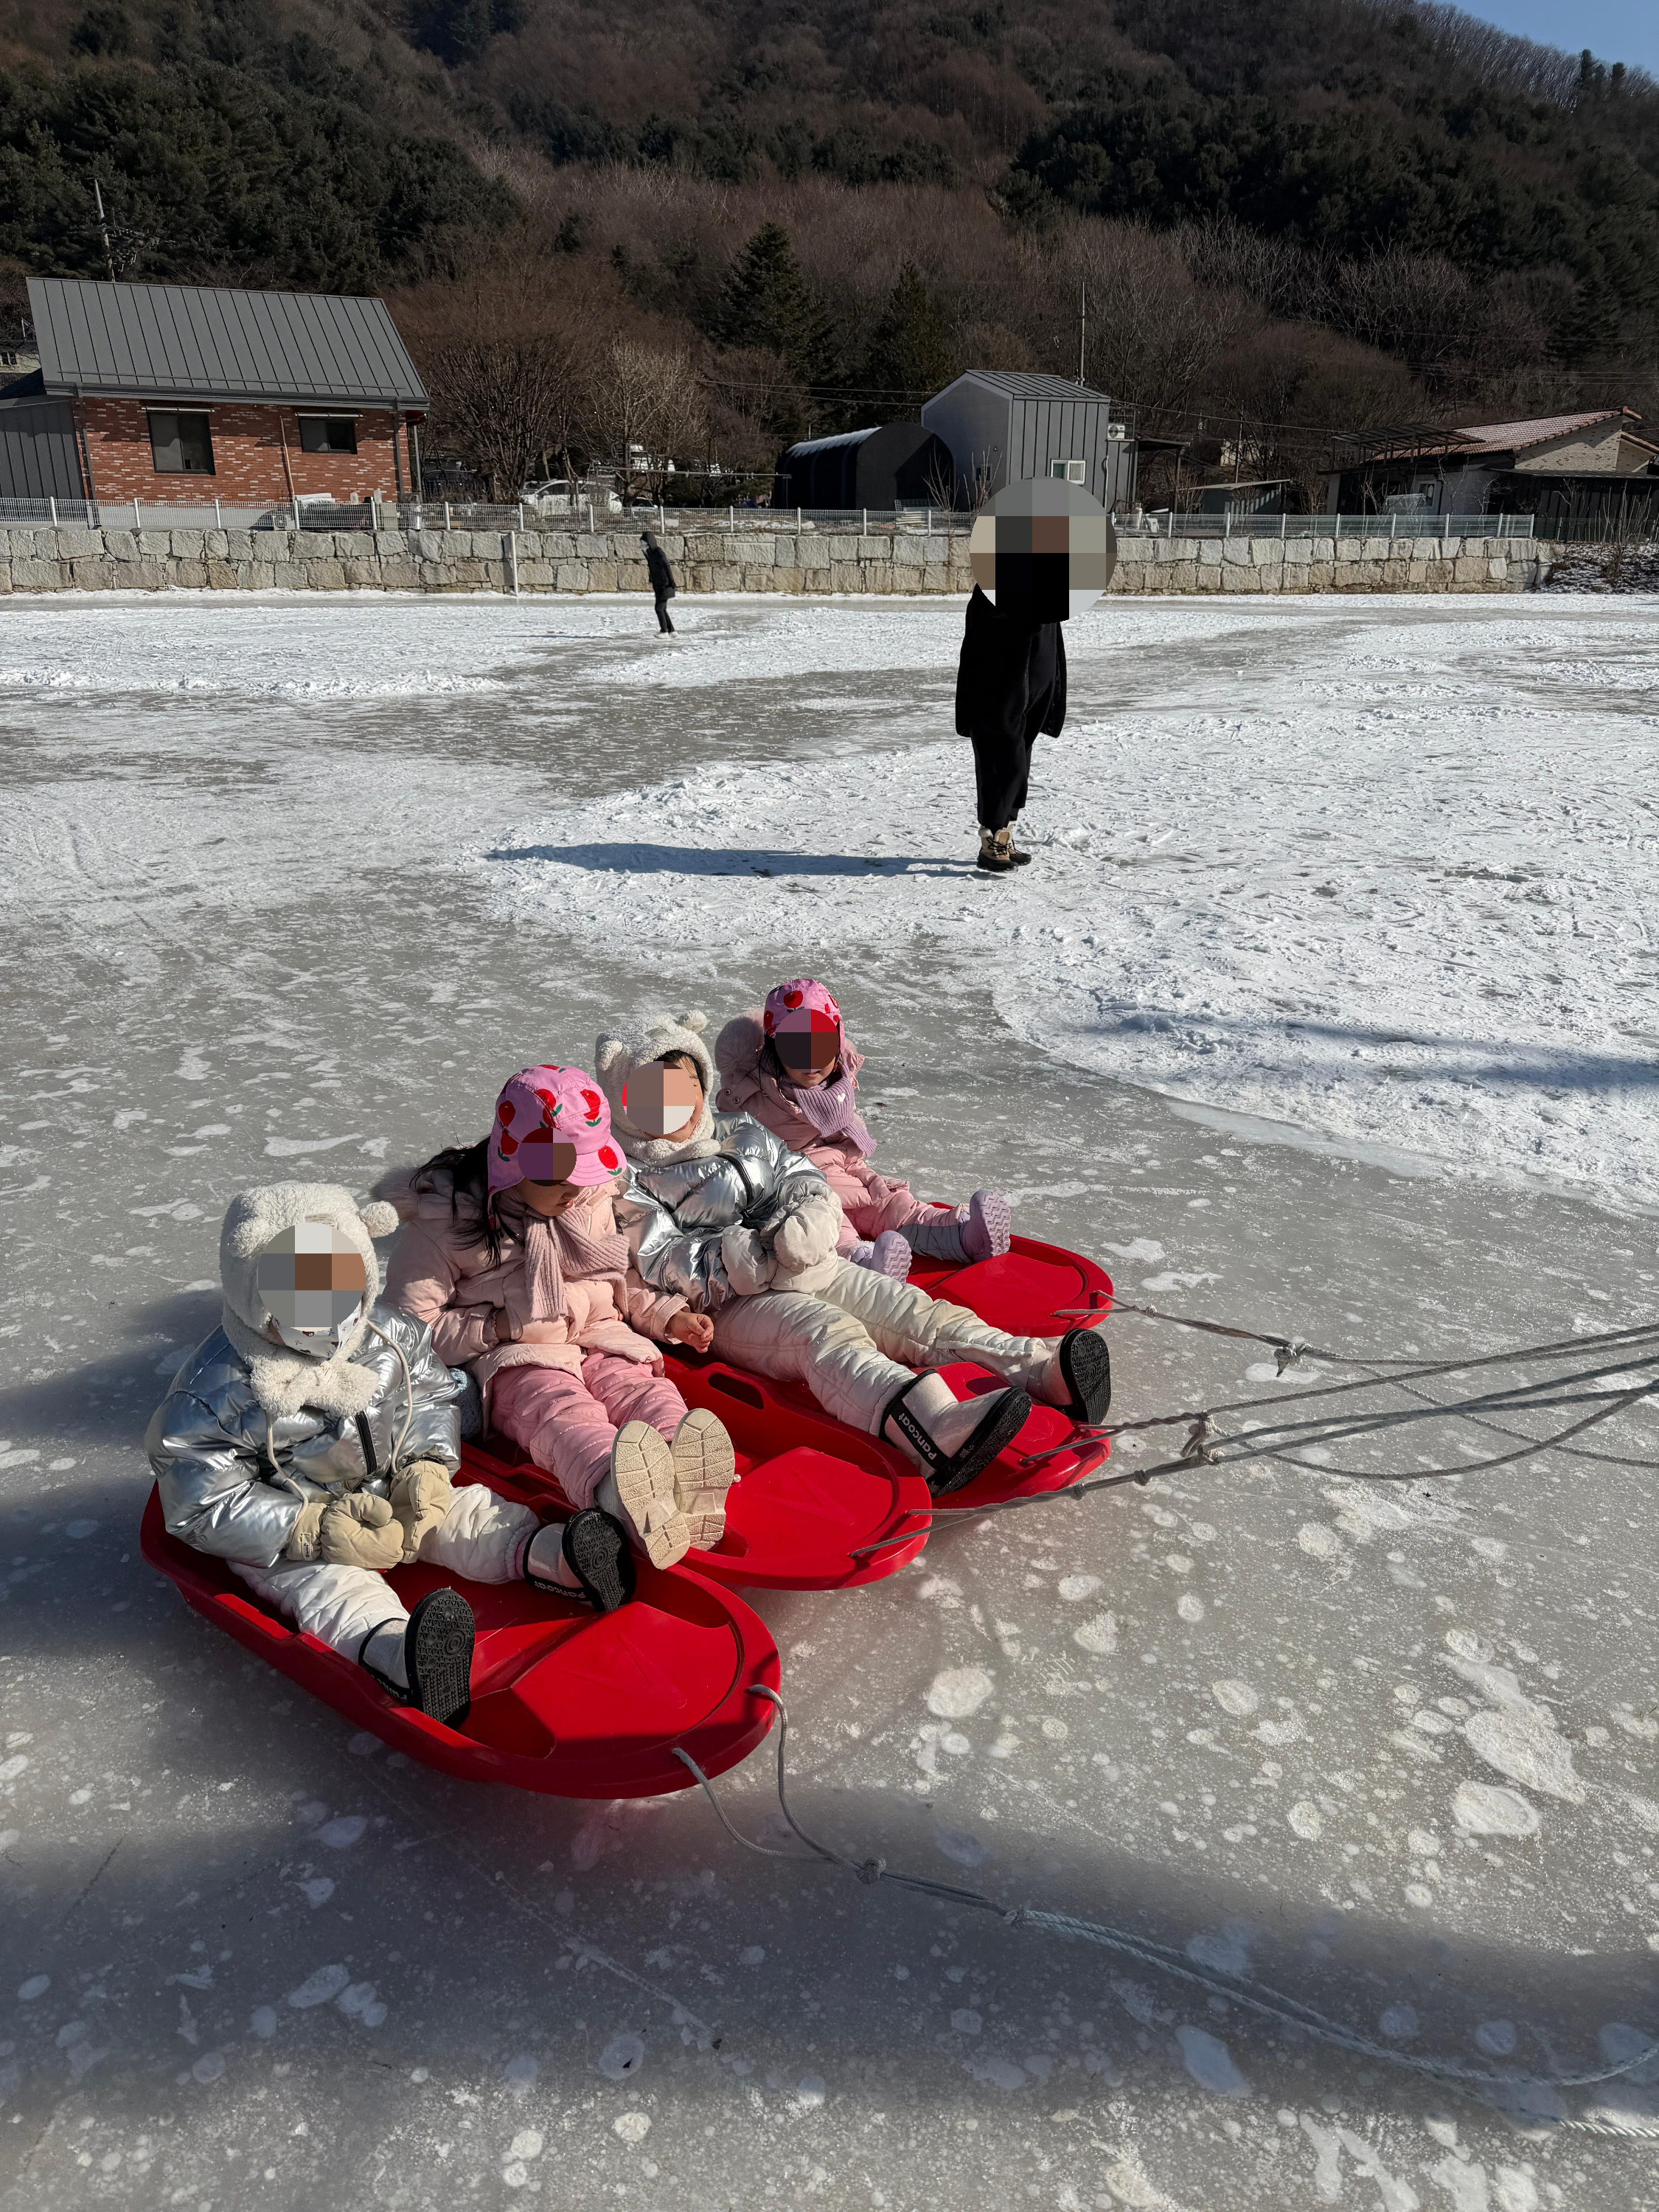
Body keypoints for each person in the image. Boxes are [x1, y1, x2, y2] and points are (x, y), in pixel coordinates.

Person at [146, 1181, 634, 1734]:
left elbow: (428, 1394)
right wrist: (312, 1528)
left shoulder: (390, 1333)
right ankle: (401, 1655)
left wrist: (425, 1466)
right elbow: (199, 1501)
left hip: (388, 1486)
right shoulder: (217, 1388)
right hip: (296, 1526)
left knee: (460, 1512)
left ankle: (555, 1557)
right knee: (331, 1590)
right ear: (255, 1294)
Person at [597, 1011, 1112, 1495]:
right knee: (823, 1332)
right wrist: (742, 1254)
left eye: (681, 1088)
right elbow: (659, 1259)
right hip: (733, 1302)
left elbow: (799, 1176)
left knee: (903, 1308)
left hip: (809, 1261)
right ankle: (926, 1426)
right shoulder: (632, 1181)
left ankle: (1035, 1367)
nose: (672, 1106)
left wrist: (811, 1218)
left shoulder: (740, 1129)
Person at [379, 1065, 738, 1570]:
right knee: (561, 1413)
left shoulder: (590, 1197)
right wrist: (497, 1327)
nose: (576, 1190)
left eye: (586, 1172)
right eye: (562, 1178)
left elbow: (618, 1271)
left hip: (599, 1332)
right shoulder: (448, 1223)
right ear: (512, 1167)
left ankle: (687, 1472)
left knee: (642, 1387)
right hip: (520, 1356)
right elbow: (405, 1331)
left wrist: (666, 1313)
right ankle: (621, 1493)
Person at [716, 977, 1012, 1281]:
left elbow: (844, 1138)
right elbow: (730, 1132)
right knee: (827, 1223)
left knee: (890, 1204)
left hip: (843, 1168)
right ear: (776, 1050)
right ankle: (864, 1266)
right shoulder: (754, 1088)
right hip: (791, 1182)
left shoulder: (839, 1079)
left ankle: (964, 1237)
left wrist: (860, 1173)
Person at [955, 582, 1065, 873]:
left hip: (1034, 688)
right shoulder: (995, 582)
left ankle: (1005, 833)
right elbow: (987, 626)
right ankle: (991, 839)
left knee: (1020, 762)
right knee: (1001, 760)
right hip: (999, 689)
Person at [641, 529, 676, 634]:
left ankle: (664, 631)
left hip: (664, 584)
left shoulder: (658, 552)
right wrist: (651, 580)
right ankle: (671, 631)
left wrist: (671, 581)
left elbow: (666, 566)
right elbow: (652, 568)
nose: (641, 545)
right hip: (657, 584)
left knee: (659, 608)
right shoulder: (649, 554)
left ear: (649, 542)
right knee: (662, 609)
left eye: (644, 542)